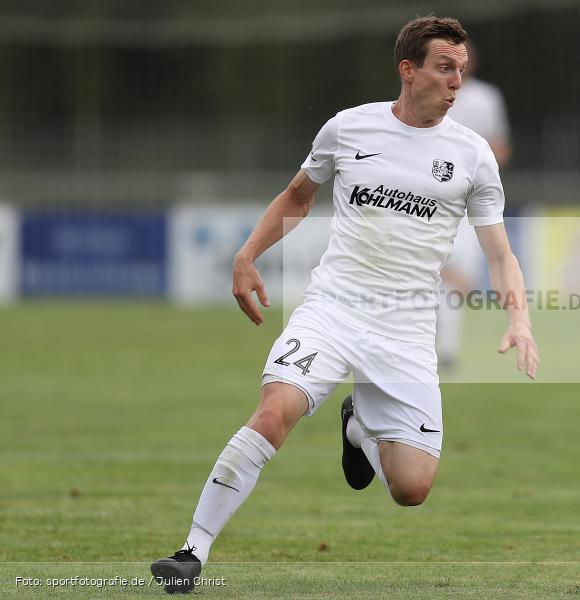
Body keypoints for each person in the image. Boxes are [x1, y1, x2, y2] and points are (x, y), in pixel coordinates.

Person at [149, 16, 538, 594]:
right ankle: (192, 551)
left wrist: (520, 318)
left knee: (412, 488)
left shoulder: (473, 155)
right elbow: (298, 196)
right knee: (274, 411)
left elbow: (499, 252)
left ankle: (358, 428)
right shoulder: (349, 128)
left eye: (460, 69)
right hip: (334, 307)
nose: (457, 81)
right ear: (408, 70)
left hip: (407, 329)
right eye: (444, 68)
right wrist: (247, 254)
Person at [437, 40, 513, 369]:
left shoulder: (486, 98)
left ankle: (444, 350)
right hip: (433, 202)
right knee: (441, 273)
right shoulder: (430, 95)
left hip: (470, 204)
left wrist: (479, 172)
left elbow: (501, 148)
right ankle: (440, 349)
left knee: (460, 279)